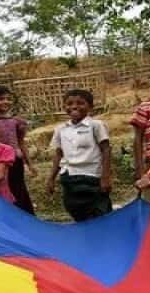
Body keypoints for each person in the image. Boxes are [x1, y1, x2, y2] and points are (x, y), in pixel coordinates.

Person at [48, 89, 113, 221]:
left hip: (92, 177)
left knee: (101, 213)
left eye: (80, 103)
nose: (74, 106)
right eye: (69, 103)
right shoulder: (61, 129)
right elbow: (58, 154)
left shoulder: (96, 125)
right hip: (70, 177)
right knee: (76, 211)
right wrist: (51, 178)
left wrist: (105, 177)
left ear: (90, 106)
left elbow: (106, 150)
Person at [0, 85, 35, 214]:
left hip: (14, 161)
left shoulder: (16, 122)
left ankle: (24, 216)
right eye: (0, 99)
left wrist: (29, 163)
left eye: (8, 99)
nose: (5, 102)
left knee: (18, 188)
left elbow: (21, 142)